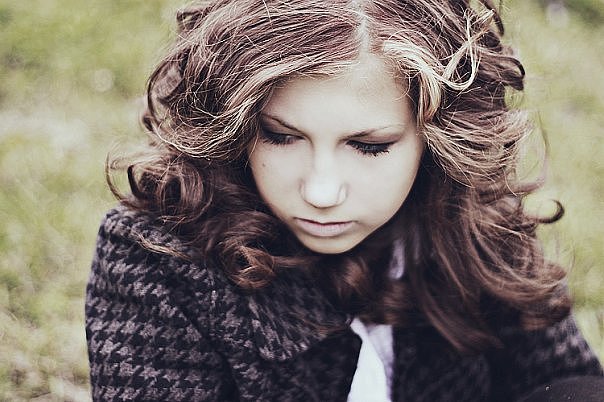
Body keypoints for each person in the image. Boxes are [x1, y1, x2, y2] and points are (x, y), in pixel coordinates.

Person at [85, 0, 604, 400]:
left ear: (439, 137)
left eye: (369, 146)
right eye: (281, 136)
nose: (321, 191)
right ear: (234, 125)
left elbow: (567, 381)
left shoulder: (469, 221)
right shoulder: (156, 258)